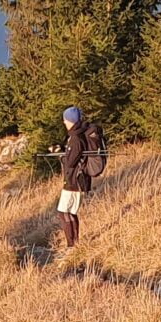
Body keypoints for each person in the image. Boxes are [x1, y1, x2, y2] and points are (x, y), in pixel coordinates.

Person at [54, 104, 102, 250]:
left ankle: (71, 245)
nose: (64, 122)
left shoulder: (75, 138)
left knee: (63, 213)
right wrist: (63, 151)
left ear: (71, 121)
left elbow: (70, 162)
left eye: (65, 120)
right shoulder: (78, 134)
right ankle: (75, 244)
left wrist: (59, 155)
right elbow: (74, 156)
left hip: (74, 181)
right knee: (70, 212)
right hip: (79, 180)